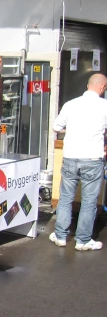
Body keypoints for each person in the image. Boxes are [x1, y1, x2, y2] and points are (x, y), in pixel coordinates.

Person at [50, 73, 107, 251]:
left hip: (70, 157)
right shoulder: (105, 106)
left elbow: (56, 127)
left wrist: (72, 129)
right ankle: (82, 240)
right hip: (92, 158)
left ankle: (60, 236)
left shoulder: (71, 104)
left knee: (66, 198)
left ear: (87, 85)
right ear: (103, 87)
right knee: (89, 201)